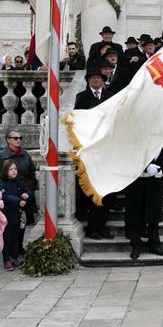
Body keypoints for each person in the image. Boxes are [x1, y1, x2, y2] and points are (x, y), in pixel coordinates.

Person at [73, 69, 112, 231]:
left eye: (99, 78)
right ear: (88, 81)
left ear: (104, 80)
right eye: (93, 78)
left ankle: (102, 226)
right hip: (89, 146)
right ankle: (92, 226)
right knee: (90, 189)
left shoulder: (111, 96)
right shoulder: (81, 97)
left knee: (107, 190)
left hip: (107, 146)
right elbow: (77, 119)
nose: (96, 81)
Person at [0, 130, 38, 251]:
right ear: (8, 140)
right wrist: (1, 191)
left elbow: (32, 171)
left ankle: (19, 246)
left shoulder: (25, 154)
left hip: (23, 190)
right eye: (15, 138)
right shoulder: (1, 155)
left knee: (22, 221)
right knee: (9, 222)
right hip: (8, 191)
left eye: (20, 138)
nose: (18, 140)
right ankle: (8, 248)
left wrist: (30, 189)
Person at [124, 147, 163, 258]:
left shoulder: (162, 136)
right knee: (135, 212)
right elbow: (129, 156)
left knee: (154, 212)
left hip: (155, 180)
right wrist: (146, 167)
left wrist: (159, 165)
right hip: (137, 180)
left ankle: (154, 243)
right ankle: (136, 244)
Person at [0, 160, 29, 271]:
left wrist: (27, 194)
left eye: (15, 169)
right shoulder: (2, 183)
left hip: (17, 214)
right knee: (7, 238)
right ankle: (6, 260)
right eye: (11, 169)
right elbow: (6, 196)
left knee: (16, 237)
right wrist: (18, 201)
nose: (13, 171)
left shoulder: (18, 182)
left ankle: (14, 258)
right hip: (6, 214)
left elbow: (27, 190)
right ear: (5, 171)